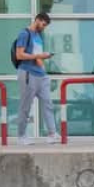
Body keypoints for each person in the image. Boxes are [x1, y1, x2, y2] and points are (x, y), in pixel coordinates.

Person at [13, 13, 58, 146]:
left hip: (40, 74)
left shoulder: (38, 36)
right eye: (43, 24)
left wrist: (44, 68)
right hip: (27, 73)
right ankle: (21, 136)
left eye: (45, 26)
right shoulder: (24, 33)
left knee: (48, 103)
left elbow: (37, 57)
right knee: (25, 106)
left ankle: (52, 133)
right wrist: (39, 55)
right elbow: (19, 55)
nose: (44, 27)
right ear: (37, 20)